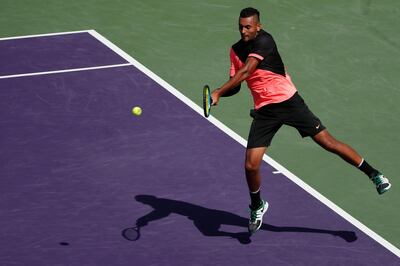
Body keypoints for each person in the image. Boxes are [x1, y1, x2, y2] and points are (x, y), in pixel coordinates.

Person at [210, 7, 391, 234]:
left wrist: (217, 90)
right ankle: (257, 205)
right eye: (240, 26)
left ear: (258, 27)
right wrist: (220, 95)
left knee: (328, 142)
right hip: (265, 111)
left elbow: (247, 71)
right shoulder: (235, 50)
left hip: (289, 103)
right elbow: (235, 84)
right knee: (251, 164)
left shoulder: (265, 41)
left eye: (248, 27)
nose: (243, 31)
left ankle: (374, 174)